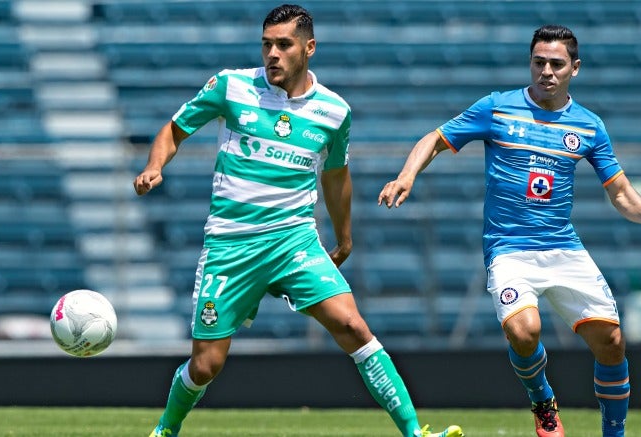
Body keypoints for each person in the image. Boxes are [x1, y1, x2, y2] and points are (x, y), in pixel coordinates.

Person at [134, 4, 464, 437]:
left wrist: (344, 239)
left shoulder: (334, 111)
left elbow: (335, 175)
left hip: (294, 240)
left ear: (309, 48)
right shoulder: (231, 86)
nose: (272, 53)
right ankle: (166, 428)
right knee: (207, 364)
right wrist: (155, 165)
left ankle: (414, 433)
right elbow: (174, 129)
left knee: (352, 325)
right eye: (267, 44)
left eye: (284, 45)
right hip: (231, 244)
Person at [378, 24, 641, 437]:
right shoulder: (497, 108)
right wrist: (407, 175)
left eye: (556, 64)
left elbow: (619, 191)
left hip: (562, 248)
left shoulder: (588, 126)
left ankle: (614, 433)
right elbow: (436, 137)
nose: (546, 71)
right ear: (530, 63)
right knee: (523, 330)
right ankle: (543, 402)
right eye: (539, 62)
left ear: (575, 68)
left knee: (612, 341)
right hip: (509, 249)